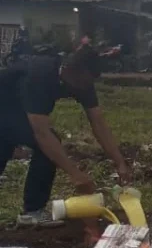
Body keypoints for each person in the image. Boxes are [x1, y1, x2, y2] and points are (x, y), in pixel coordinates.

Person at [0, 44, 133, 226]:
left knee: (39, 145)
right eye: (83, 82)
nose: (84, 88)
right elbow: (42, 133)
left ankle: (32, 212)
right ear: (69, 70)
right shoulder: (41, 76)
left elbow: (98, 123)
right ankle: (32, 212)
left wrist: (120, 162)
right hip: (4, 105)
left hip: (18, 109)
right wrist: (75, 174)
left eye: (89, 83)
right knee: (39, 144)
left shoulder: (82, 81)